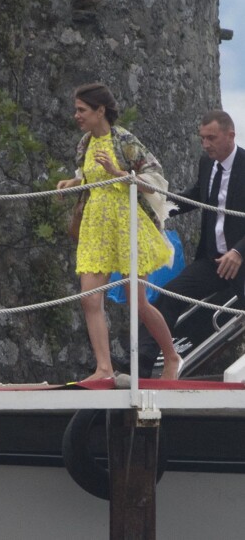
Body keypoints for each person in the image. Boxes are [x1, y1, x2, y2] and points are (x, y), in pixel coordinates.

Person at [57, 83, 183, 381]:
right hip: (96, 226)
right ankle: (104, 368)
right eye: (76, 110)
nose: (76, 115)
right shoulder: (85, 143)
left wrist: (118, 173)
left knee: (137, 301)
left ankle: (171, 355)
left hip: (126, 225)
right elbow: (88, 175)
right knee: (89, 299)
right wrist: (73, 182)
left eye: (82, 110)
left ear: (100, 111)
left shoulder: (124, 140)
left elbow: (155, 178)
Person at [112, 110, 245, 377]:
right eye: (202, 138)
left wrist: (239, 251)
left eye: (212, 138)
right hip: (213, 261)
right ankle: (141, 366)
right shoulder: (206, 164)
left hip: (241, 259)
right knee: (170, 295)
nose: (206, 144)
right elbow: (196, 196)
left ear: (231, 135)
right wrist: (157, 210)